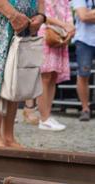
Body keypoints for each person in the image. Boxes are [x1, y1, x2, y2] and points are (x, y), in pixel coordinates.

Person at [0, 0, 45, 147]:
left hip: (26, 24)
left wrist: (41, 15)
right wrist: (13, 15)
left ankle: (8, 136)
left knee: (16, 76)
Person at [37, 0, 75, 131]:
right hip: (45, 35)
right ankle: (44, 118)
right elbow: (42, 16)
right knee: (45, 77)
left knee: (53, 77)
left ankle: (47, 115)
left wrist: (71, 27)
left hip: (59, 35)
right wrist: (65, 25)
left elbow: (68, 12)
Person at [72, 0, 95, 121]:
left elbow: (87, 15)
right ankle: (85, 108)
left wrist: (89, 14)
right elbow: (83, 16)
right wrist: (87, 15)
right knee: (83, 74)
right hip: (84, 40)